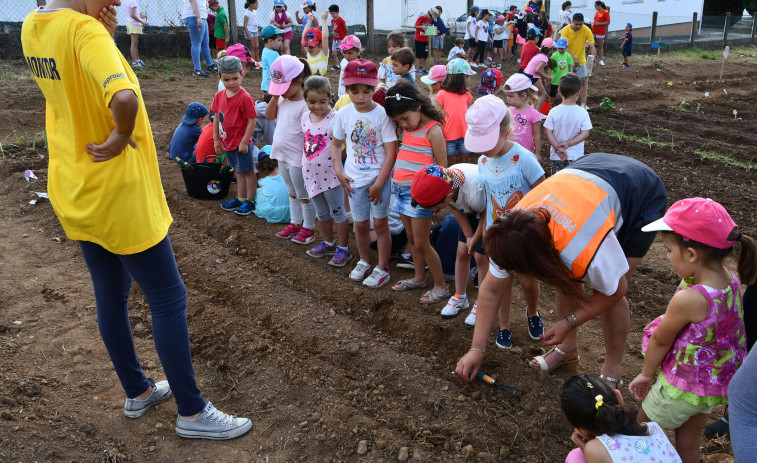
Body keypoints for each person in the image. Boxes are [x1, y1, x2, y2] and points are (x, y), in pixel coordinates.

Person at [21, 0, 250, 439]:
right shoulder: (84, 33)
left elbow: (78, 82)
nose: (117, 3)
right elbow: (121, 95)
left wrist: (101, 33)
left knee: (110, 291)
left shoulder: (35, 24)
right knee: (167, 297)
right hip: (117, 191)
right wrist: (122, 134)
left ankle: (138, 392)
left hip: (75, 183)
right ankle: (192, 412)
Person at [455, 153, 668, 391]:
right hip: (585, 174)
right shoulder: (509, 232)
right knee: (564, 279)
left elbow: (615, 292)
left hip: (639, 191)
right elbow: (491, 290)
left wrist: (569, 322)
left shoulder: (584, 250)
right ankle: (567, 350)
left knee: (607, 286)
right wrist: (476, 349)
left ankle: (612, 370)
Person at [629, 198, 755, 463]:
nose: (667, 256)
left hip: (679, 387)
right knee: (688, 443)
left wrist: (645, 375)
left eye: (668, 250)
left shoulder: (691, 299)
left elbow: (662, 340)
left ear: (692, 255)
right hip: (708, 387)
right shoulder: (731, 279)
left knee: (640, 433)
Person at [466, 95, 545, 349]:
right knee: (502, 283)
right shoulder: (482, 161)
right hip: (497, 236)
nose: (484, 149)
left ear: (507, 132)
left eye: (487, 141)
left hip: (524, 236)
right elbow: (488, 201)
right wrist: (480, 234)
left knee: (529, 280)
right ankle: (505, 326)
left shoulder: (524, 159)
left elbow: (543, 194)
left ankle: (532, 313)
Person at [330, 59, 398, 288]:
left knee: (380, 225)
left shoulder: (382, 115)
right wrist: (338, 171)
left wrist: (379, 183)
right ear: (347, 89)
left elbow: (391, 152)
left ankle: (383, 267)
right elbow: (336, 144)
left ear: (374, 88)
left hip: (378, 180)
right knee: (360, 224)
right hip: (353, 179)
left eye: (366, 91)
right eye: (355, 91)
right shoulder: (342, 114)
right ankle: (364, 261)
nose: (361, 96)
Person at [385, 81, 449, 304]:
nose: (403, 125)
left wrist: (437, 201)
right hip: (401, 192)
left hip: (419, 197)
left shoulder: (433, 131)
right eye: (398, 121)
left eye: (405, 118)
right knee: (412, 238)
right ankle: (420, 277)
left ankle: (441, 285)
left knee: (422, 242)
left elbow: (442, 169)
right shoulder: (407, 128)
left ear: (418, 107)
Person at [410, 165, 486, 324]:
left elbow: (486, 214)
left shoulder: (475, 193)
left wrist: (476, 237)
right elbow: (456, 209)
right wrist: (468, 236)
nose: (434, 211)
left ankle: (483, 303)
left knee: (481, 257)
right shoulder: (447, 182)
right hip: (468, 209)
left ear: (448, 196)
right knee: (462, 251)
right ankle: (460, 297)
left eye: (435, 207)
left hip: (489, 210)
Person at [562, 374, 682, 463]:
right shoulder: (657, 429)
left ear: (580, 430)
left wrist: (587, 452)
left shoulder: (594, 450)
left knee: (576, 457)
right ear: (618, 396)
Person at [300, 76, 352, 266]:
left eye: (322, 102)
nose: (317, 106)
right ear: (305, 99)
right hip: (310, 175)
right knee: (322, 213)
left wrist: (337, 162)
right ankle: (328, 242)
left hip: (331, 176)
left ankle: (343, 248)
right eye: (311, 102)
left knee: (338, 212)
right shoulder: (305, 116)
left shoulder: (336, 118)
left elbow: (345, 145)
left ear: (330, 97)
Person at [265, 56, 314, 243]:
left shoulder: (305, 106)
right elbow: (270, 116)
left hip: (298, 158)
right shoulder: (282, 100)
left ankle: (309, 228)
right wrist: (275, 96)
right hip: (282, 155)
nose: (281, 92)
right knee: (291, 191)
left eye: (283, 88)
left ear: (299, 82)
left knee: (303, 194)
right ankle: (296, 223)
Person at [214, 56, 258, 216]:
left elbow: (252, 121)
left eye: (235, 78)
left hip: (241, 144)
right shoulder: (219, 95)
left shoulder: (245, 97)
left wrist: (245, 142)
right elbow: (217, 118)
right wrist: (216, 140)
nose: (231, 82)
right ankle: (240, 198)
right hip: (228, 142)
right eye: (226, 79)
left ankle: (250, 200)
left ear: (242, 75)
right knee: (238, 171)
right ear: (220, 77)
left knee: (248, 171)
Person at [544, 73, 592, 175]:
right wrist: (568, 144)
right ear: (578, 92)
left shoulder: (553, 111)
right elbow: (585, 134)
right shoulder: (582, 112)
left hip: (557, 156)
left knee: (557, 184)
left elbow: (548, 132)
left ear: (559, 91)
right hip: (576, 156)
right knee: (573, 184)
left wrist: (557, 147)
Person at [436, 59, 475, 165]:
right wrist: (441, 136)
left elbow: (469, 114)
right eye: (466, 77)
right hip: (448, 137)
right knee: (450, 163)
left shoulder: (466, 94)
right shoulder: (442, 94)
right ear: (457, 78)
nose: (469, 79)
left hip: (464, 135)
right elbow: (438, 117)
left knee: (465, 162)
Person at [503, 73, 542, 161]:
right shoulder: (509, 110)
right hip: (508, 151)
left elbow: (537, 135)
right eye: (506, 95)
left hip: (525, 153)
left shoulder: (533, 113)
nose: (507, 99)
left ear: (523, 96)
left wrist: (537, 153)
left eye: (511, 96)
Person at [561, 13, 596, 108]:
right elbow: (565, 46)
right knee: (567, 81)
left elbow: (592, 46)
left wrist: (592, 61)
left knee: (583, 81)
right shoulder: (565, 30)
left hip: (581, 60)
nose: (579, 26)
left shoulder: (586, 30)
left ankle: (583, 104)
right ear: (572, 21)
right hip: (567, 60)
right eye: (576, 24)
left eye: (581, 24)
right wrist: (573, 58)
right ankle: (566, 102)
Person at [254, 147, 291, 223]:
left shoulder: (263, 181)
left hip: (273, 213)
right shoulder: (288, 174)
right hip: (294, 210)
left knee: (259, 191)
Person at [182, 0, 215, 77]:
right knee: (196, 43)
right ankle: (197, 69)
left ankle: (210, 65)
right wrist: (198, 17)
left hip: (201, 16)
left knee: (205, 43)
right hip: (194, 16)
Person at [523, 37, 554, 113]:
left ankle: (528, 111)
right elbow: (537, 70)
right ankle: (537, 113)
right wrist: (546, 77)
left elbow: (541, 69)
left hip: (526, 74)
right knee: (543, 94)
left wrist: (543, 80)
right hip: (531, 76)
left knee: (532, 95)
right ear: (552, 49)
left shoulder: (539, 55)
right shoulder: (545, 58)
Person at [302, 10, 331, 76]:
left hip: (320, 82)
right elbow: (304, 36)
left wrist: (324, 20)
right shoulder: (309, 53)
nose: (309, 49)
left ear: (320, 44)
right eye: (308, 45)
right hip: (309, 80)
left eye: (312, 46)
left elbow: (325, 37)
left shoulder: (324, 53)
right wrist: (309, 20)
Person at [549, 38, 574, 106]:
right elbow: (550, 66)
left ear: (566, 47)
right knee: (552, 94)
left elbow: (570, 65)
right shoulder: (554, 55)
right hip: (555, 78)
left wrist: (571, 75)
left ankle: (564, 105)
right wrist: (549, 75)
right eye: (559, 48)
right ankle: (549, 105)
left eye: (562, 48)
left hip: (564, 79)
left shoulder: (568, 55)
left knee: (564, 93)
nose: (560, 50)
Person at [123, 0, 148, 69]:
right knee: (134, 43)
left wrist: (140, 15)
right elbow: (133, 15)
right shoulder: (132, 1)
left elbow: (133, 12)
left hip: (131, 23)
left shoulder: (127, 1)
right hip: (133, 24)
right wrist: (143, 22)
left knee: (135, 43)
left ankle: (137, 60)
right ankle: (134, 62)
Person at [260, 24, 284, 94]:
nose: (281, 43)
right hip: (270, 86)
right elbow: (277, 69)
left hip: (267, 85)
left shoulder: (266, 51)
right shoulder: (271, 54)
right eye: (279, 40)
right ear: (270, 41)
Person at [414, 7, 438, 73]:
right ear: (429, 14)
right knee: (419, 55)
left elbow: (429, 28)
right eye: (431, 17)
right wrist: (421, 26)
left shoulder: (430, 20)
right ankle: (417, 69)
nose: (431, 19)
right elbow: (415, 26)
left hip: (425, 39)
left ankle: (424, 68)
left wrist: (434, 31)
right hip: (419, 39)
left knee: (425, 55)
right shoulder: (421, 18)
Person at [328, 4, 348, 70]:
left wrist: (343, 36)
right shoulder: (332, 20)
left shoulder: (342, 20)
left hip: (341, 39)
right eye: (331, 14)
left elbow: (346, 29)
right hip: (335, 39)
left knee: (343, 53)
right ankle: (337, 66)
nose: (332, 15)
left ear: (337, 12)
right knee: (334, 53)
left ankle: (347, 64)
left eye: (333, 14)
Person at [591, 1, 610, 66]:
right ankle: (594, 58)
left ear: (599, 6)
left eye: (595, 6)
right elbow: (595, 20)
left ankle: (601, 59)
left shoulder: (606, 12)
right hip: (594, 30)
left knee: (600, 46)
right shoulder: (597, 12)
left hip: (600, 31)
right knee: (594, 45)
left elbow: (608, 22)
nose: (595, 7)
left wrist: (600, 24)